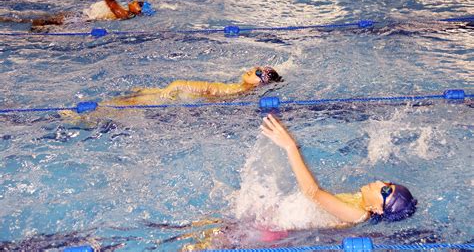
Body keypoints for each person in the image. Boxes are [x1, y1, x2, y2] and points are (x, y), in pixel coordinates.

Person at [260, 113, 418, 224]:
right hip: (276, 214)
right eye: (387, 183)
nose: (378, 183)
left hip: (273, 227)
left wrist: (290, 146)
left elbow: (312, 192)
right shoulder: (359, 201)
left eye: (384, 191)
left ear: (378, 209)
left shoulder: (358, 215)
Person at [0, 0, 155, 31]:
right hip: (78, 17)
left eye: (139, 4)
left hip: (78, 20)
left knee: (35, 22)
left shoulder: (123, 14)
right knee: (37, 22)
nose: (136, 1)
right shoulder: (124, 13)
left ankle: (6, 22)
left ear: (139, 11)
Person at [104, 66, 282, 106]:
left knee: (129, 101)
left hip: (178, 94)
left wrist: (174, 87)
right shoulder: (237, 90)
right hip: (177, 93)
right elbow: (206, 88)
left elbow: (207, 89)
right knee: (129, 101)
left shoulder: (237, 90)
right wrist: (173, 87)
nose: (253, 69)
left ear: (261, 83)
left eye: (258, 72)